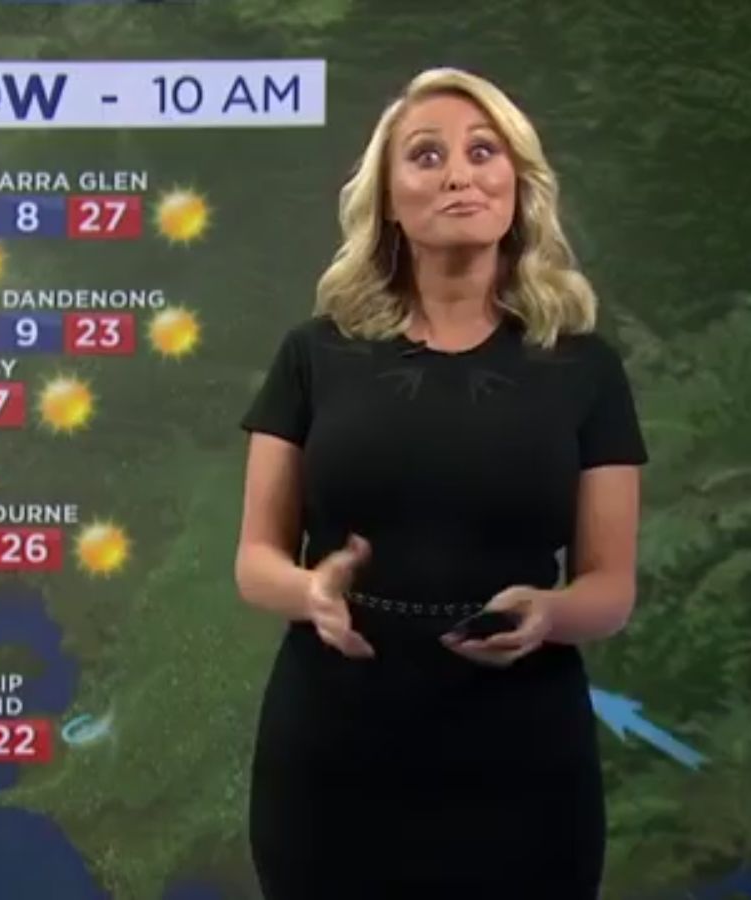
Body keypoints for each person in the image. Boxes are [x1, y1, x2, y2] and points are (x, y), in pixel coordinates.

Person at [234, 67, 647, 899]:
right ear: (388, 199)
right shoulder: (313, 354)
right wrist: (310, 592)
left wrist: (551, 614)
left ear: (517, 185)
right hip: (334, 749)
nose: (459, 173)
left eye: (483, 152)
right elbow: (255, 560)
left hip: (522, 754)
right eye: (426, 155)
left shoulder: (586, 368)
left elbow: (609, 587)